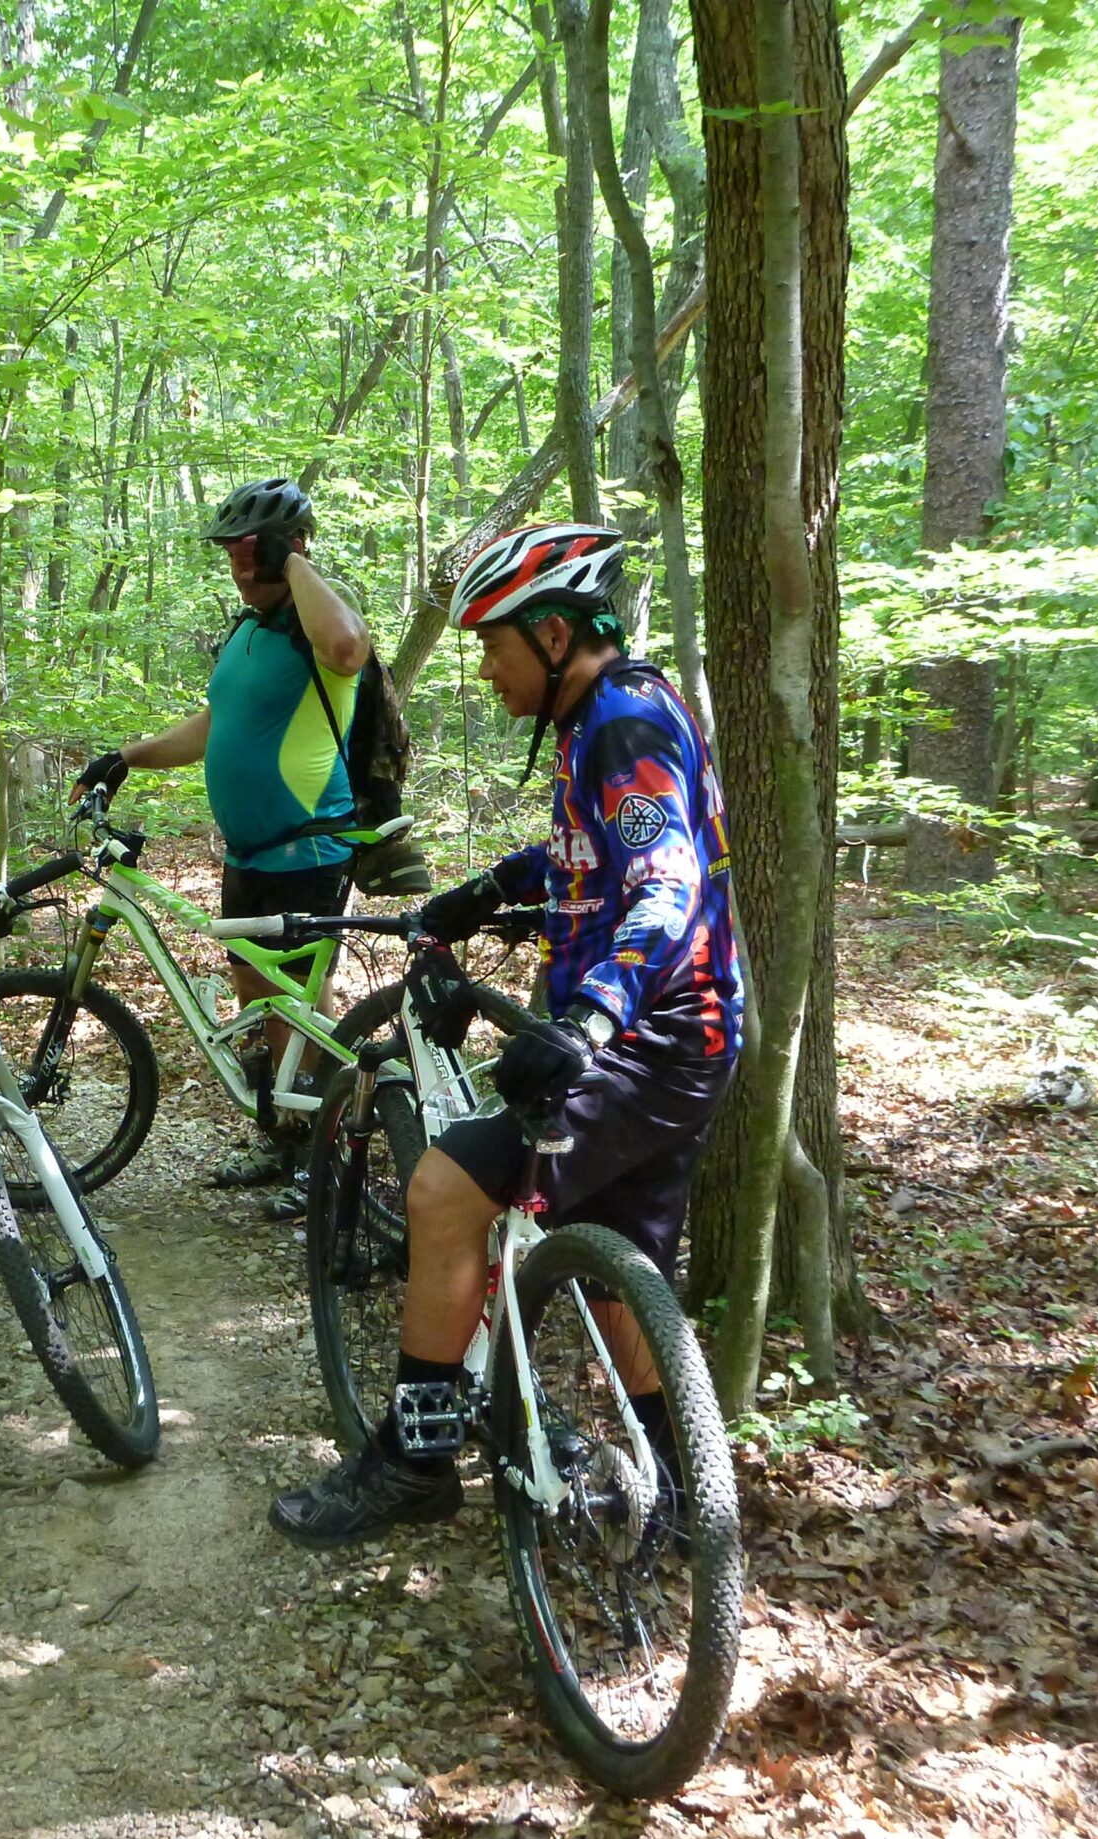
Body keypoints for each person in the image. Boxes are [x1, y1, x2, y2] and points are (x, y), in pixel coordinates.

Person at [268, 523, 744, 1544]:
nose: (484, 667)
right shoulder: (616, 719)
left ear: (558, 632)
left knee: (443, 1193)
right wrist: (488, 890)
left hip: (644, 1040)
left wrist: (585, 1021)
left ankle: (415, 1460)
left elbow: (666, 885)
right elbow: (589, 849)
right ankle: (674, 1488)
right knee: (623, 1268)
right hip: (689, 1041)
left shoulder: (618, 724)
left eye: (495, 643)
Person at [70, 477, 372, 1197]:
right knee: (258, 999)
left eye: (251, 551)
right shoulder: (246, 634)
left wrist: (294, 560)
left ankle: (337, 1162)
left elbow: (350, 649)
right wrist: (128, 756)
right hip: (248, 853)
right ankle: (287, 1140)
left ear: (286, 549)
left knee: (302, 1004)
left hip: (309, 848)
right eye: (231, 553)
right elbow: (215, 727)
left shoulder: (315, 630)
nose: (238, 566)